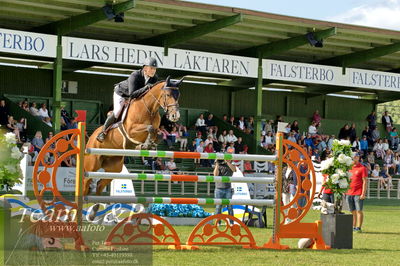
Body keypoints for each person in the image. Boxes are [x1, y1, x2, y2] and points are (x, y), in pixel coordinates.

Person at [97, 57, 158, 142]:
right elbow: (132, 94)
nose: (153, 71)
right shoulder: (135, 75)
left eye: (155, 69)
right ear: (145, 68)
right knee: (117, 111)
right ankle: (102, 132)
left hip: (135, 96)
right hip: (122, 93)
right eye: (151, 68)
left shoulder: (154, 78)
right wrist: (145, 88)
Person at [346, 154, 368, 233]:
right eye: (352, 157)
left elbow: (365, 181)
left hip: (358, 193)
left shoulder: (362, 168)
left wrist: (363, 193)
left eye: (356, 157)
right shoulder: (349, 168)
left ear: (358, 158)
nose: (354, 158)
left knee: (359, 210)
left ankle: (358, 227)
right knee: (352, 211)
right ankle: (353, 226)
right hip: (349, 193)